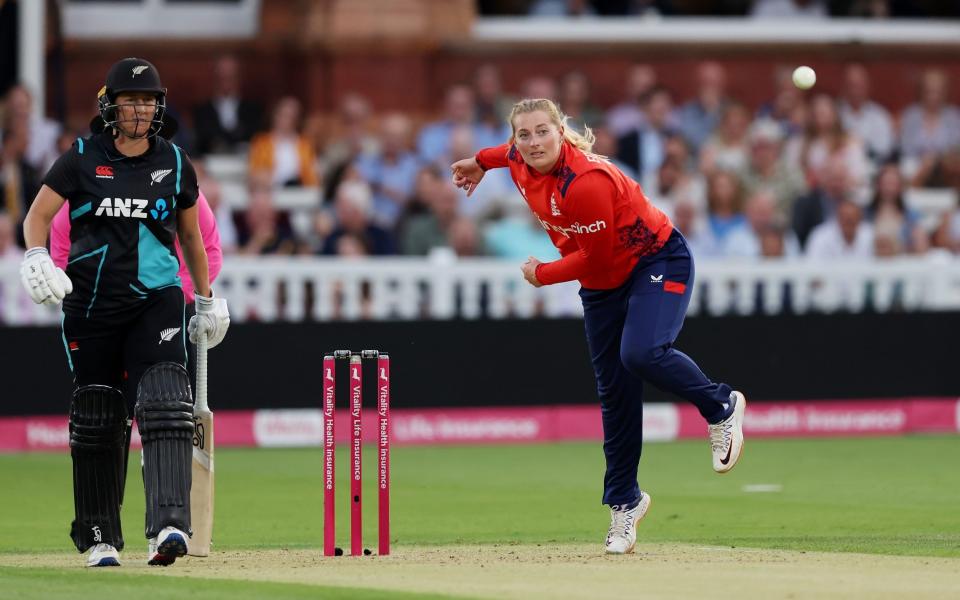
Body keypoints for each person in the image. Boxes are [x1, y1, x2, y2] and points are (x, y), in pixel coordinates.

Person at [451, 98, 746, 556]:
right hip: (602, 283)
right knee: (616, 393)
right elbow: (498, 154)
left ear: (560, 131)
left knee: (641, 354)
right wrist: (477, 164)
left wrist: (542, 273)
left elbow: (598, 257)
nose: (532, 143)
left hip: (655, 259)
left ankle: (721, 405)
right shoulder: (515, 157)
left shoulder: (584, 182)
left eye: (542, 132)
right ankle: (625, 504)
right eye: (523, 134)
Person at [18, 58, 230, 568]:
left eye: (149, 101)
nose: (141, 110)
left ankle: (169, 525)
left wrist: (204, 299)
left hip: (155, 299)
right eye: (131, 101)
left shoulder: (175, 163)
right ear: (109, 106)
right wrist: (35, 255)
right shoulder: (82, 158)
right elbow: (36, 218)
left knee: (164, 401)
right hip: (90, 303)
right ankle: (98, 537)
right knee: (98, 416)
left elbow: (191, 239)